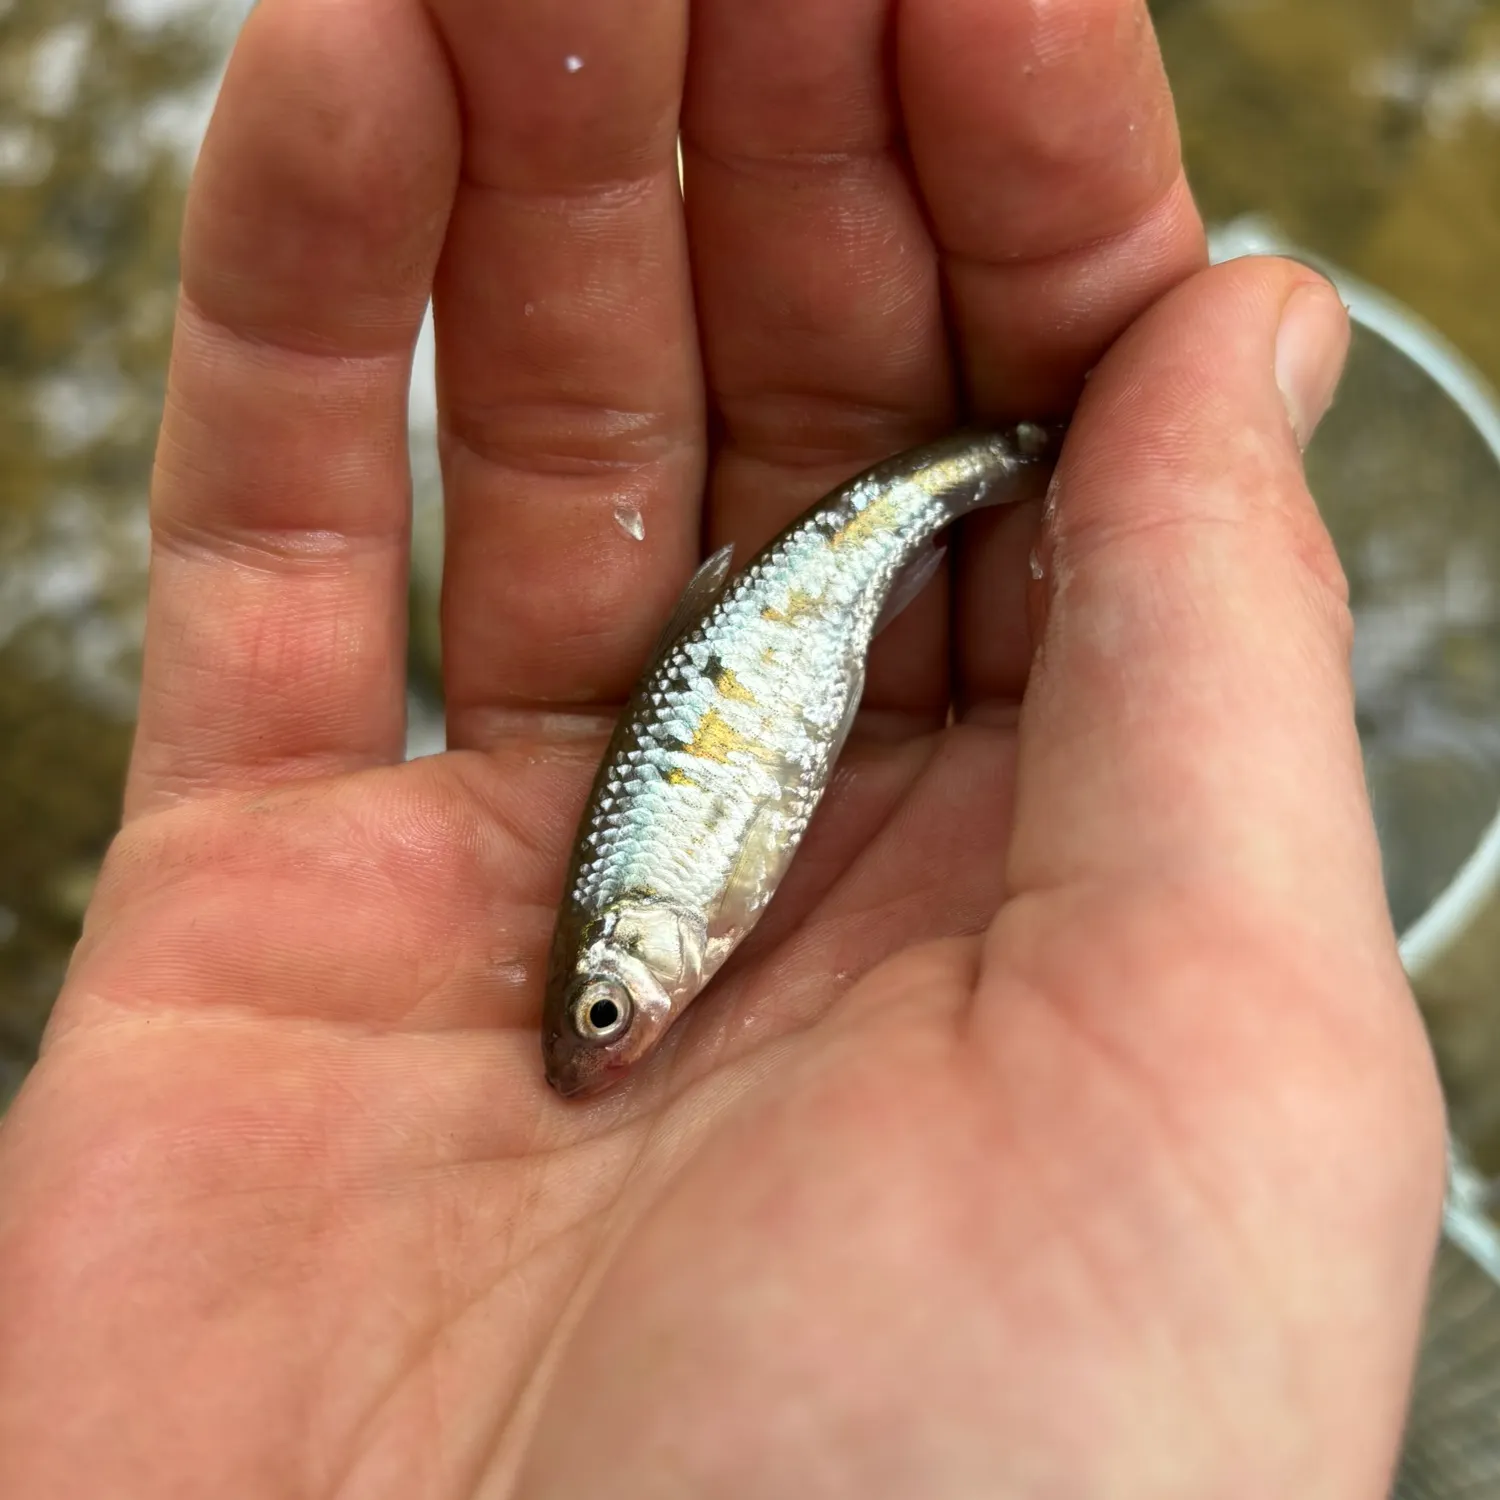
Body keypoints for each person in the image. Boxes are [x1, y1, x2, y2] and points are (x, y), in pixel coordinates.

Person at [0, 0, 1447, 1493]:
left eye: (605, 1013)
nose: (601, 1039)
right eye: (608, 1019)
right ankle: (986, 469)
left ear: (643, 950)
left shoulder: (663, 907)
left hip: (791, 619)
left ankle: (980, 470)